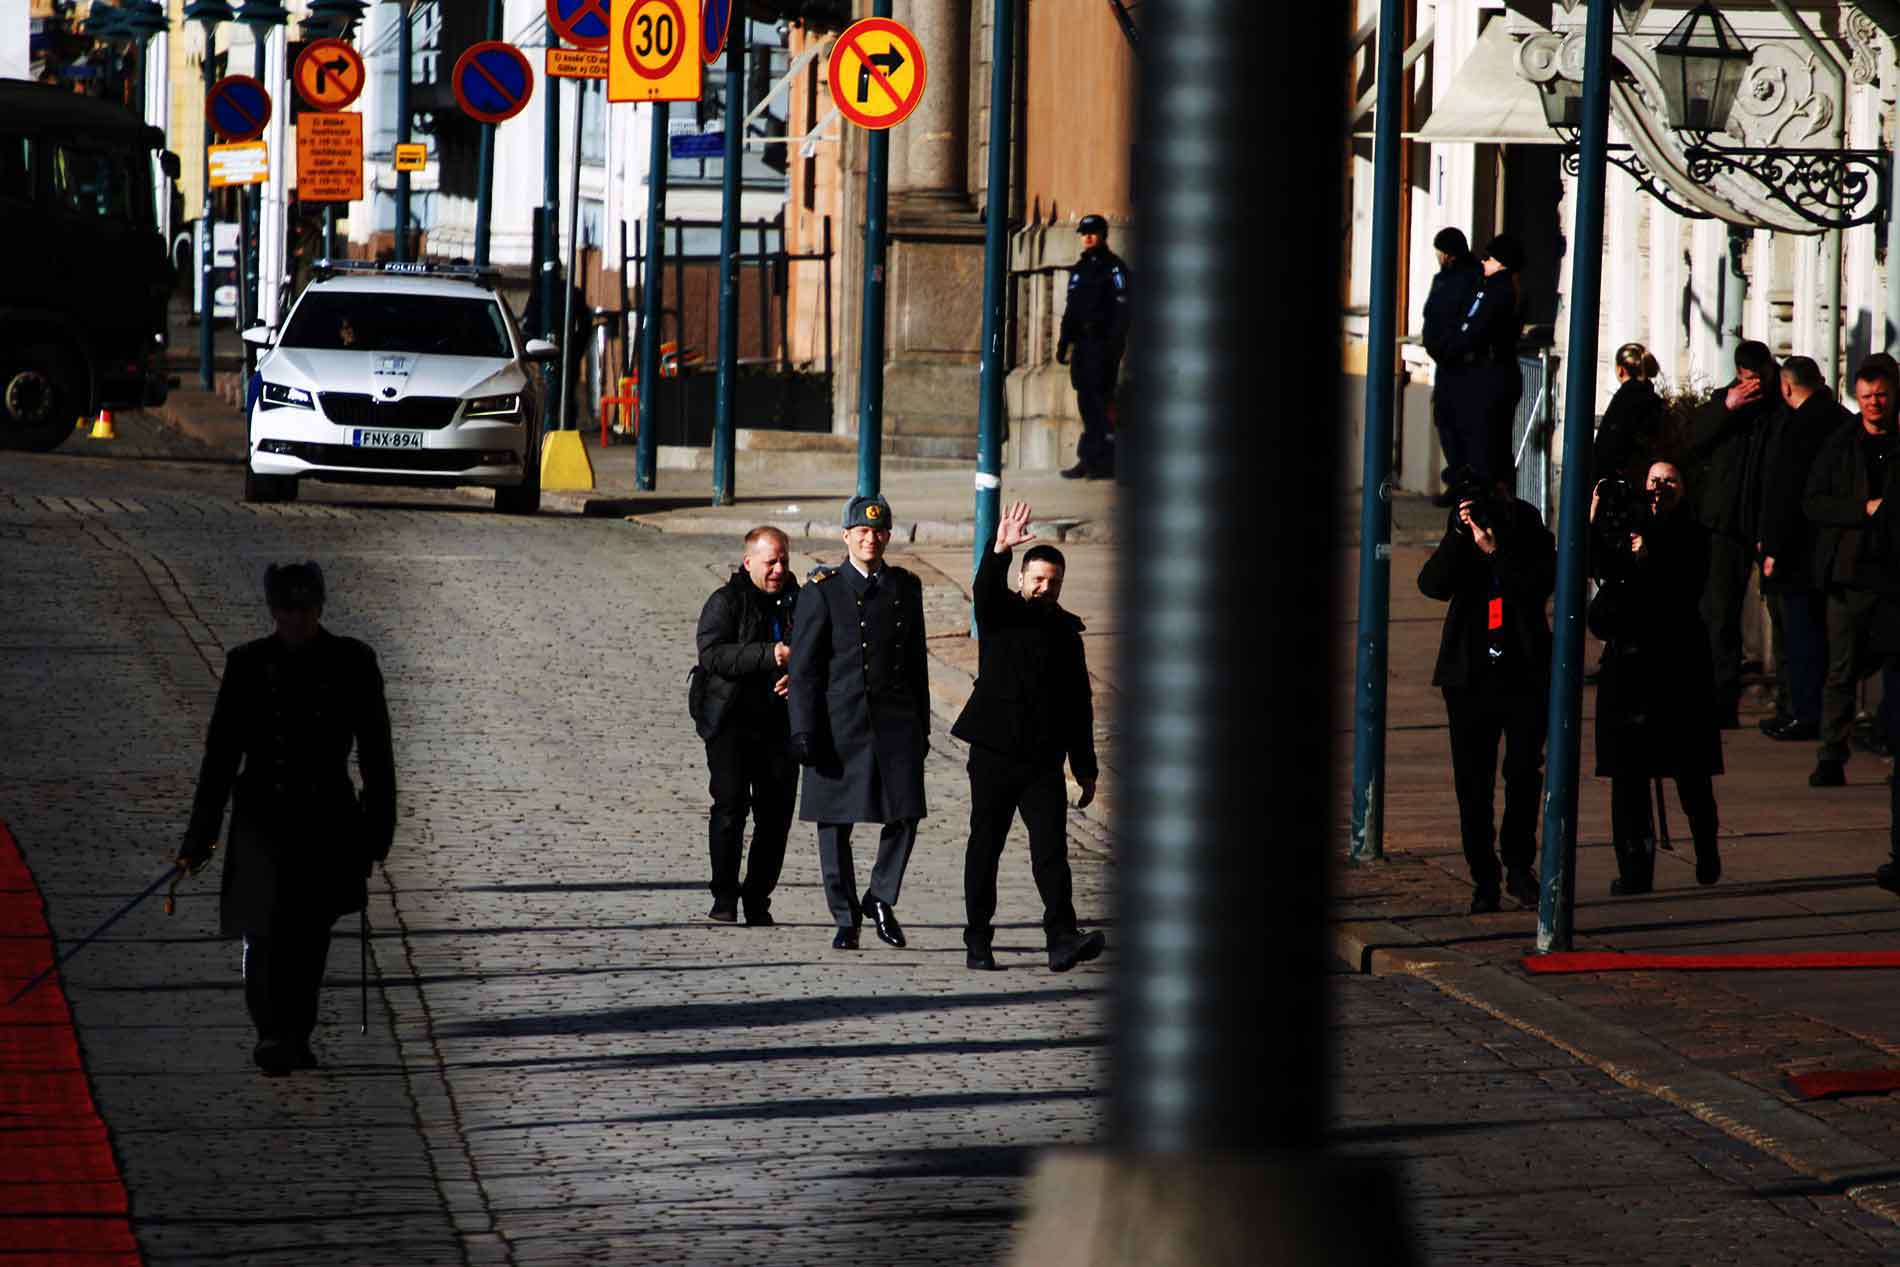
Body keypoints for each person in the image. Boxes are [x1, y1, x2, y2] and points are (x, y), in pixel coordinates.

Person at [177, 562, 396, 1075]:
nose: (296, 620)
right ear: (273, 611)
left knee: (309, 938)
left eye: (305, 609)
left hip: (325, 820)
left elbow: (377, 756)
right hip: (263, 821)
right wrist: (200, 835)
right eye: (287, 610)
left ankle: (296, 1032)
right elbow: (221, 758)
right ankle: (271, 1032)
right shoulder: (247, 665)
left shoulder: (353, 663)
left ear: (320, 608)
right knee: (263, 931)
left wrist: (376, 830)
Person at [953, 501, 1107, 971]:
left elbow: (1079, 705)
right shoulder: (1002, 614)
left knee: (1051, 852)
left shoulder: (1066, 632)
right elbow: (984, 592)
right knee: (986, 845)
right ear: (1022, 579)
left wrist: (1085, 768)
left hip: (1042, 760)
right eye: (1037, 579)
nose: (1044, 588)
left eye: (1053, 582)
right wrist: (999, 548)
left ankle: (1061, 937)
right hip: (995, 753)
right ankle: (978, 937)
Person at [788, 495, 931, 950]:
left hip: (894, 723)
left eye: (879, 531)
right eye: (862, 532)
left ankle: (880, 895)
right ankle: (845, 918)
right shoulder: (822, 590)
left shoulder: (905, 588)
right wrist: (803, 729)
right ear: (846, 535)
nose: (871, 539)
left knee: (906, 813)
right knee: (833, 824)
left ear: (888, 536)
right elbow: (804, 668)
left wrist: (922, 727)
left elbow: (915, 665)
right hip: (837, 722)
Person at [1417, 475, 1555, 913]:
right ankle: (1483, 875)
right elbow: (1433, 584)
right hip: (1469, 674)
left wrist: (1496, 552)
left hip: (1521, 669)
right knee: (1472, 784)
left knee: (1522, 773)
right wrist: (1461, 537)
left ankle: (1518, 865)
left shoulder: (1528, 525)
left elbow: (1537, 586)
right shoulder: (1463, 529)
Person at [1590, 462, 1724, 894]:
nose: (1659, 489)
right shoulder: (1625, 523)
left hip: (1677, 666)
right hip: (1629, 666)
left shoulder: (1692, 533)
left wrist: (1652, 554)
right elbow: (1596, 570)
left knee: (1689, 769)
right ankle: (1633, 868)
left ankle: (1706, 849)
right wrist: (1596, 517)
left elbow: (1686, 587)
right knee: (1628, 775)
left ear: (1683, 489)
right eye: (1653, 481)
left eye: (1669, 481)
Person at [691, 527, 800, 926]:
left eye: (783, 561)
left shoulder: (800, 600)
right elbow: (713, 654)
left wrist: (799, 674)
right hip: (731, 722)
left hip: (782, 724)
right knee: (730, 808)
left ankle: (757, 898)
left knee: (775, 816)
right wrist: (770, 655)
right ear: (748, 561)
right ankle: (724, 897)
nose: (778, 569)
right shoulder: (725, 601)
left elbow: (821, 649)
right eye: (770, 562)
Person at [1803, 359, 1900, 786]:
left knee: (1895, 667)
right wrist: (1862, 510)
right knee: (1841, 669)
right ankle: (1831, 755)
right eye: (1866, 398)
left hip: (1895, 573)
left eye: (1880, 395)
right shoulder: (1842, 444)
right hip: (1850, 571)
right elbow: (1814, 502)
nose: (1874, 404)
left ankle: (1890, 741)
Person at [1685, 340, 1781, 728]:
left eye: (1759, 378)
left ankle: (1787, 697)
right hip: (1724, 523)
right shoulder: (1722, 404)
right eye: (1747, 379)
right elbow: (1694, 440)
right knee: (1719, 612)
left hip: (1759, 520)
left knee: (1777, 609)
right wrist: (1727, 408)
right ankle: (1720, 699)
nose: (1753, 386)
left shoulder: (1774, 410)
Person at [1757, 356, 1852, 742]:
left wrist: (1773, 547)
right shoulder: (1843, 419)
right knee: (1824, 639)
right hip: (1832, 544)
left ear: (1786, 386)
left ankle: (1803, 712)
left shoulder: (1796, 427)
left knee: (1799, 636)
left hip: (1796, 551)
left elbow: (1785, 492)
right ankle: (1819, 714)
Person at [1435, 233, 1526, 490]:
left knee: (1484, 450)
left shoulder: (1498, 290)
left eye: (1489, 257)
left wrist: (1450, 349)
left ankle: (1484, 506)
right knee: (1492, 448)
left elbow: (1474, 330)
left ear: (1502, 263)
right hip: (1498, 376)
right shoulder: (1503, 288)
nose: (1483, 261)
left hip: (1489, 378)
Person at [1058, 213, 1132, 481]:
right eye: (1084, 233)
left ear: (1103, 235)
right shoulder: (1079, 270)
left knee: (1104, 404)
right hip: (1083, 346)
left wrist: (1115, 345)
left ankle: (1112, 461)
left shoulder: (1114, 269)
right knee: (1086, 404)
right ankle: (1090, 460)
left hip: (1103, 345)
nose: (1088, 237)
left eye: (1093, 232)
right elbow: (1071, 310)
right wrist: (1064, 342)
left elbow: (1123, 310)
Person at [1421, 227, 1484, 481]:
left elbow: (1469, 321)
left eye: (1440, 251)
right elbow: (1432, 315)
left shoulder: (1472, 278)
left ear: (1448, 253)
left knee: (1462, 423)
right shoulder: (1442, 279)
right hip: (1445, 362)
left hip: (1463, 364)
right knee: (1444, 419)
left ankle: (1465, 478)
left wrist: (1452, 347)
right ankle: (1458, 474)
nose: (1438, 256)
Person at [1593, 342, 1666, 484]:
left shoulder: (1623, 400)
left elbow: (1608, 447)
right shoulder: (1655, 400)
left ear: (1620, 370)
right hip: (1645, 477)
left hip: (1618, 481)